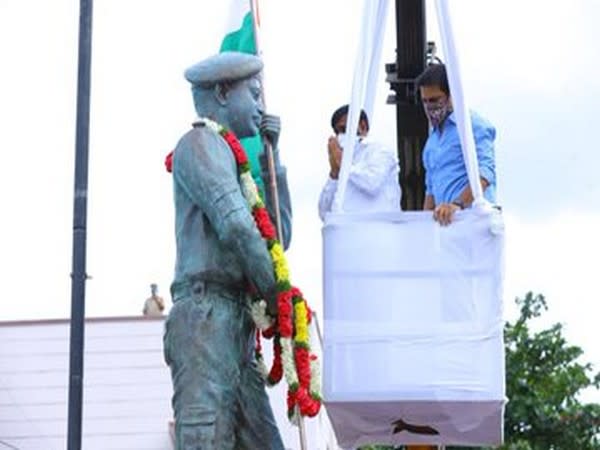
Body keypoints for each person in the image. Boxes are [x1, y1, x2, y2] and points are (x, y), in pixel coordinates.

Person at [163, 51, 291, 450]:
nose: (260, 106)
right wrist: (278, 295)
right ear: (221, 92)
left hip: (235, 321)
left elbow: (277, 241)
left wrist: (274, 162)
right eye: (252, 94)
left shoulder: (234, 162)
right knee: (206, 440)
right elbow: (236, 225)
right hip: (206, 319)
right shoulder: (200, 142)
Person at [417, 63, 497, 225]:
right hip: (446, 227)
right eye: (424, 101)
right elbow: (431, 190)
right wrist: (422, 228)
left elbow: (486, 174)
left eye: (434, 100)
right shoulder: (432, 143)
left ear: (452, 94)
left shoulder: (473, 126)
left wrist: (457, 205)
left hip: (473, 222)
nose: (429, 106)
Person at [318, 105, 401, 220]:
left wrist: (343, 163)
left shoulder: (380, 151)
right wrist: (334, 174)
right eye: (337, 132)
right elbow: (324, 213)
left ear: (363, 126)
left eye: (344, 129)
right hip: (349, 232)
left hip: (381, 230)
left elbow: (372, 183)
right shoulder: (344, 160)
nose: (340, 136)